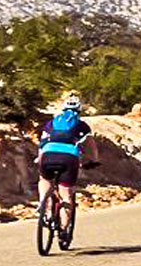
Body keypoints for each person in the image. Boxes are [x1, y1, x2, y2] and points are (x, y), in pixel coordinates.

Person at [35, 90, 98, 237]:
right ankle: (63, 229)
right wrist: (94, 160)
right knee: (66, 193)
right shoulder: (82, 126)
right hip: (69, 158)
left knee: (44, 179)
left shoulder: (51, 123)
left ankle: (43, 204)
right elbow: (91, 146)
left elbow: (42, 144)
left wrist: (40, 159)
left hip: (47, 155)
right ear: (79, 111)